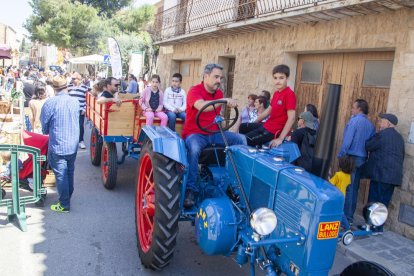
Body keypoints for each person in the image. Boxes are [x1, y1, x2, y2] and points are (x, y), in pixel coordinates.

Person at [182, 63, 247, 208]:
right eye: (216, 77)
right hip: (196, 133)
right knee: (193, 149)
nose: (219, 80)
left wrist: (222, 121)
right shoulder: (194, 91)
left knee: (240, 139)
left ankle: (239, 184)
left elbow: (215, 115)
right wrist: (223, 101)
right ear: (206, 76)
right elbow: (201, 106)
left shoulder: (218, 93)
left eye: (221, 78)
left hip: (214, 132)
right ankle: (190, 189)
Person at [40, 75, 80, 213]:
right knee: (69, 172)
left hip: (58, 144)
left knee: (62, 175)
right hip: (73, 143)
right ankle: (66, 198)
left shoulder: (50, 103)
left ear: (53, 88)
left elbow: (44, 127)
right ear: (66, 86)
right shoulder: (74, 101)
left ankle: (64, 204)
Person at [363, 113, 405, 235]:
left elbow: (368, 146)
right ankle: (379, 228)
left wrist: (375, 134)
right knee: (384, 203)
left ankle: (370, 227)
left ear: (388, 123)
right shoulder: (399, 138)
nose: (380, 124)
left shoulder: (382, 135)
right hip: (393, 177)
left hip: (381, 175)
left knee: (374, 202)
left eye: (382, 121)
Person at [338, 99, 375, 225]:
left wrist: (341, 155)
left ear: (359, 109)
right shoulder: (370, 125)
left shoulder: (354, 121)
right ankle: (350, 217)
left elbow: (347, 141)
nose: (351, 109)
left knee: (348, 188)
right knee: (355, 188)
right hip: (362, 159)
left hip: (351, 159)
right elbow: (370, 144)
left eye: (353, 107)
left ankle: (346, 219)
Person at [244, 64, 296, 148]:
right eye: (275, 78)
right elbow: (268, 110)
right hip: (267, 126)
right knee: (243, 127)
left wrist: (280, 138)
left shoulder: (289, 94)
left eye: (281, 78)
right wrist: (254, 122)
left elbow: (292, 118)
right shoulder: (276, 93)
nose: (278, 81)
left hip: (274, 131)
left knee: (245, 140)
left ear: (287, 78)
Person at [329, 155, 354, 230]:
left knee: (340, 213)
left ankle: (347, 227)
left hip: (336, 196)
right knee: (340, 211)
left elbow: (330, 184)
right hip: (343, 196)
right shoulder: (349, 176)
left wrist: (328, 176)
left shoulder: (338, 175)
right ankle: (343, 226)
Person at [68, 72, 91, 150]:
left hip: (80, 109)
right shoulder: (69, 87)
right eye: (72, 78)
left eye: (74, 79)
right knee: (70, 125)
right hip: (70, 110)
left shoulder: (85, 88)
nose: (72, 80)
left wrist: (84, 109)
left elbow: (87, 100)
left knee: (80, 126)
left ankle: (81, 141)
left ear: (79, 79)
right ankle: (71, 141)